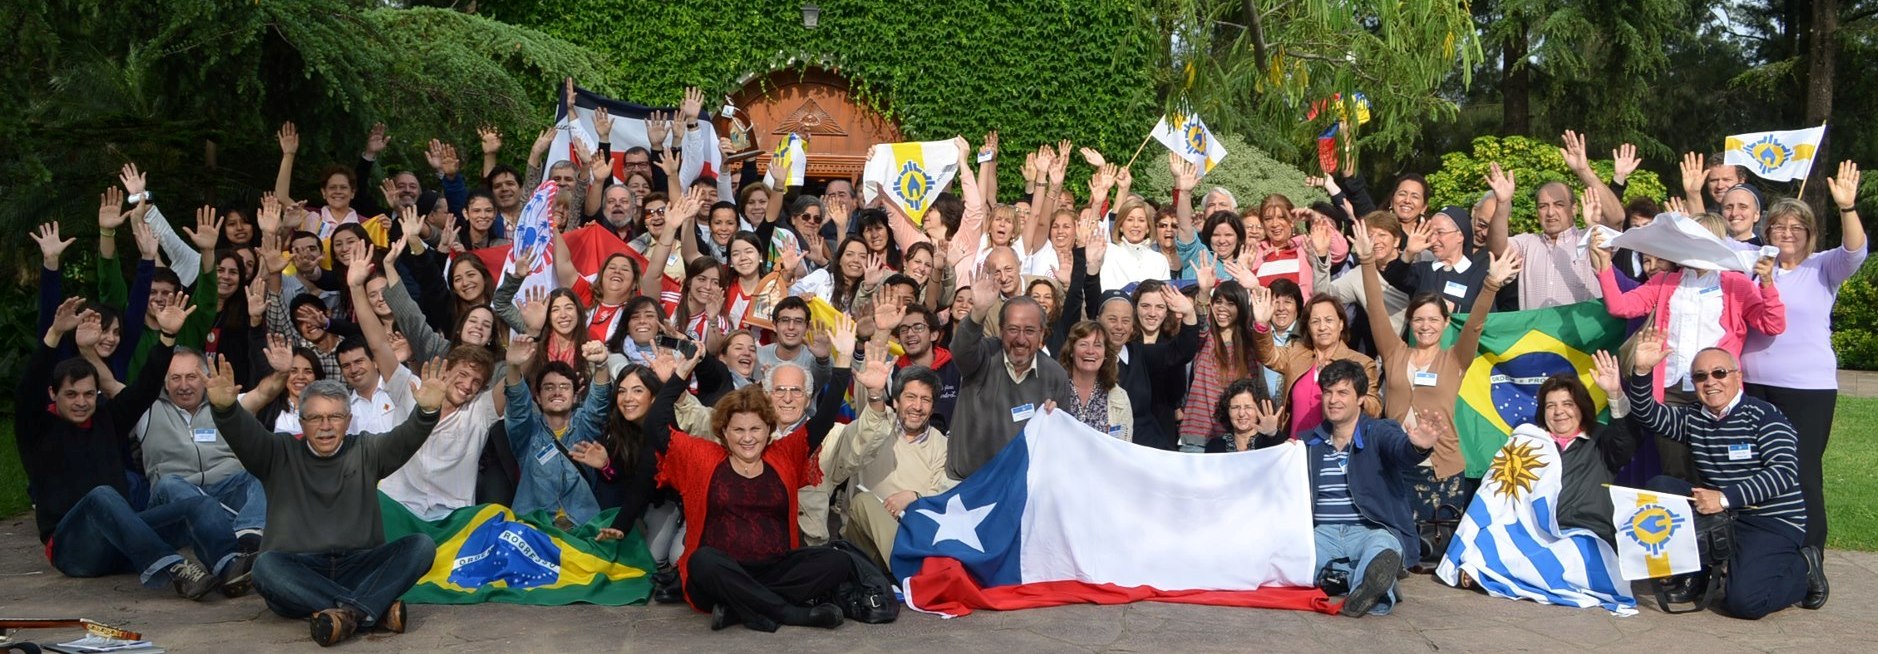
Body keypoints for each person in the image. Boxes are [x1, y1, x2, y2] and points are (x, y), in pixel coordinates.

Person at [208, 355, 453, 645]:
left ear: (347, 420)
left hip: (359, 567)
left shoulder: (366, 450)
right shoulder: (277, 453)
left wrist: (426, 411)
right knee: (265, 568)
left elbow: (404, 439)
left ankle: (347, 614)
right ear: (302, 421)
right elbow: (243, 434)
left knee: (421, 546)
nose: (325, 426)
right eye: (315, 417)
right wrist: (225, 410)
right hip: (299, 572)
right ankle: (370, 610)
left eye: (335, 417)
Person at [21, 297, 243, 600]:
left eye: (88, 394)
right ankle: (175, 569)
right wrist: (54, 335)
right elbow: (28, 387)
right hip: (73, 549)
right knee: (102, 495)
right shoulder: (38, 429)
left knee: (198, 504)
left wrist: (167, 339)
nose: (81, 402)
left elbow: (146, 387)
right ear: (53, 394)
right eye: (71, 394)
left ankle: (229, 566)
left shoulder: (107, 420)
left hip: (121, 543)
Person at [631, 348, 856, 631]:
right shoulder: (702, 456)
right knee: (702, 561)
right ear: (724, 431)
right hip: (720, 573)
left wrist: (844, 361)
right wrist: (678, 376)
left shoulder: (783, 454)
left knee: (836, 561)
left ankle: (739, 609)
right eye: (738, 430)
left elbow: (823, 419)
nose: (748, 439)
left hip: (773, 569)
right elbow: (655, 425)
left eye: (756, 430)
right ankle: (791, 613)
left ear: (768, 429)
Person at [1625, 329, 1823, 617]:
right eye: (1700, 376)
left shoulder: (1765, 416)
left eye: (1719, 373)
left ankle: (1803, 568)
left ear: (1737, 376)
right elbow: (1648, 415)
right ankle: (1694, 571)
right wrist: (1642, 371)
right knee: (1662, 488)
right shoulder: (1693, 417)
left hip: (1770, 519)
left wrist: (1725, 498)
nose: (1711, 382)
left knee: (1745, 603)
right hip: (1722, 514)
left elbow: (1783, 473)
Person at [1741, 163, 1866, 589]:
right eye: (1779, 226)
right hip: (1753, 385)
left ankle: (1811, 561)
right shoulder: (1750, 266)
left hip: (1808, 390)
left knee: (1802, 471)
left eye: (1797, 226)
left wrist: (1847, 208)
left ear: (1810, 232)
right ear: (1767, 231)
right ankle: (1758, 553)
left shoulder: (1824, 266)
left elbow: (1855, 251)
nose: (1787, 233)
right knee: (1753, 469)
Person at [1352, 223, 1517, 481]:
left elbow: (1475, 325)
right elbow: (1375, 308)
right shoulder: (1395, 352)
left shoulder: (1455, 359)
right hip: (1393, 467)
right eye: (1418, 320)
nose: (1425, 326)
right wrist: (1366, 260)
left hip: (1442, 470)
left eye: (1433, 320)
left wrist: (1491, 285)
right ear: (1410, 322)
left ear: (1446, 322)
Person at [1284, 360, 1442, 617]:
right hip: (1322, 533)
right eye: (1328, 392)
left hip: (1371, 530)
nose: (1333, 400)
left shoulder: (1379, 431)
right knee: (1290, 560)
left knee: (1382, 548)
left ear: (1360, 398)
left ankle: (1366, 584)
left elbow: (1400, 449)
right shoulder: (1306, 442)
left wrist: (1418, 447)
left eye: (1342, 392)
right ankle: (1364, 582)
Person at [137, 347, 270, 556]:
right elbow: (110, 386)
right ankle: (235, 529)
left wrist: (281, 372)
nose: (183, 386)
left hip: (226, 487)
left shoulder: (225, 403)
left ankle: (247, 533)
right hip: (177, 500)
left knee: (261, 471)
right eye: (175, 378)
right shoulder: (145, 408)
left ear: (206, 377)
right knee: (169, 483)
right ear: (165, 381)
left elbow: (264, 392)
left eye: (192, 376)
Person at [822, 360, 954, 570]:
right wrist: (875, 394)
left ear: (933, 407)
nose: (917, 407)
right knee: (863, 501)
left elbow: (943, 497)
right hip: (863, 544)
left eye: (925, 399)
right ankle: (913, 575)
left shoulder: (942, 445)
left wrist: (914, 497)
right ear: (895, 402)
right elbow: (861, 440)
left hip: (915, 538)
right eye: (910, 397)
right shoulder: (875, 431)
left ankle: (912, 569)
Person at [947, 286, 1073, 480]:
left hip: (1018, 487)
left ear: (1042, 334)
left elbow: (1062, 441)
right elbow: (961, 351)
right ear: (1001, 330)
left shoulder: (1055, 374)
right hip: (965, 483)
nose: (1021, 339)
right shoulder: (984, 355)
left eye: (1030, 331)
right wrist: (977, 313)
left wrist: (1054, 421)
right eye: (1013, 329)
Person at [377, 345, 502, 520]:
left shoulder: (480, 410)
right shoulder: (411, 389)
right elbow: (378, 346)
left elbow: (510, 384)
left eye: (476, 382)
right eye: (463, 374)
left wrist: (516, 364)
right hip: (397, 506)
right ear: (445, 371)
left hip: (450, 518)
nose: (467, 385)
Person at [502, 339, 613, 523]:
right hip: (533, 529)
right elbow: (517, 405)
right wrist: (513, 366)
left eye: (564, 387)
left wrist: (601, 365)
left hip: (581, 528)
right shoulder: (526, 432)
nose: (557, 392)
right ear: (537, 397)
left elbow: (599, 403)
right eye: (548, 387)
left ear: (576, 396)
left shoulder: (585, 426)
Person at [1251, 289, 1382, 438]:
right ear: (1307, 327)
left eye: (1329, 320)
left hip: (1337, 450)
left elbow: (1375, 409)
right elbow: (1268, 356)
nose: (1322, 327)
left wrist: (1350, 396)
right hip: (1297, 450)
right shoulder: (1296, 352)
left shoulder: (1361, 363)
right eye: (1315, 321)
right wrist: (1262, 324)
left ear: (1341, 324)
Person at [1543, 355, 1639, 545]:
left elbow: (1626, 442)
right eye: (1550, 406)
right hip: (1539, 536)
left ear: (1582, 407)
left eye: (1567, 404)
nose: (1559, 411)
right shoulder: (1530, 444)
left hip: (1590, 536)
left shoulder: (1600, 439)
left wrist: (1614, 393)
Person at [1487, 176, 1603, 309]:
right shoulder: (1527, 244)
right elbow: (1497, 248)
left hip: (1582, 329)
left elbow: (1617, 220)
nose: (1550, 213)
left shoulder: (1590, 239)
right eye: (1543, 206)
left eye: (1559, 205)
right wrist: (1503, 204)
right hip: (1537, 329)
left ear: (1574, 208)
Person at [1057, 320, 1133, 441]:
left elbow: (1123, 449)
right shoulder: (1054, 389)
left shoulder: (1120, 397)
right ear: (1071, 351)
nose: (1090, 351)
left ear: (1106, 353)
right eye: (1083, 344)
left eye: (1097, 345)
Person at [1203, 378, 1283, 453]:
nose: (1241, 414)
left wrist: (1272, 433)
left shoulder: (1271, 443)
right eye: (1235, 407)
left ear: (1259, 410)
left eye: (1248, 407)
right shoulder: (1214, 447)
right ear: (1227, 411)